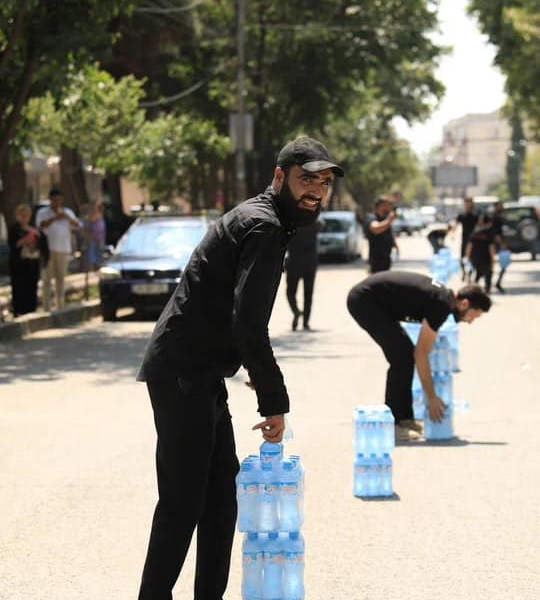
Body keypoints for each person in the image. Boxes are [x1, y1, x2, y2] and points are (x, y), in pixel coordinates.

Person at [136, 136, 344, 600]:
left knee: (221, 503)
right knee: (183, 502)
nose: (316, 189)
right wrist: (274, 399)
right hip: (184, 372)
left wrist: (247, 360)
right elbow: (249, 322)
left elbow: (235, 313)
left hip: (200, 371)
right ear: (279, 176)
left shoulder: (270, 221)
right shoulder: (265, 226)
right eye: (306, 178)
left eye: (323, 182)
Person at [347, 271, 491, 441]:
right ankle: (393, 424)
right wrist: (432, 397)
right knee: (401, 357)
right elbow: (422, 353)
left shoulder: (442, 298)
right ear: (465, 304)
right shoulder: (441, 305)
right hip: (364, 301)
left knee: (405, 354)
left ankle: (404, 419)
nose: (470, 321)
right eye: (473, 315)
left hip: (373, 301)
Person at [36, 187, 81, 311]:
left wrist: (67, 217)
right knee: (47, 279)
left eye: (59, 200)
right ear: (50, 199)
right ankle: (47, 307)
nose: (57, 202)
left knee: (60, 278)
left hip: (63, 249)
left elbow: (78, 225)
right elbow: (41, 225)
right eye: (55, 200)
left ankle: (60, 305)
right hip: (48, 249)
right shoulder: (43, 212)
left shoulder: (67, 212)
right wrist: (55, 218)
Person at [7, 204, 46, 316]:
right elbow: (13, 244)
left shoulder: (34, 229)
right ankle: (18, 310)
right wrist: (25, 239)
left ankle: (31, 309)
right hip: (18, 263)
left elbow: (41, 245)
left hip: (32, 262)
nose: (24, 218)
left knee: (31, 286)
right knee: (19, 287)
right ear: (18, 216)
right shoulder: (14, 229)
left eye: (27, 215)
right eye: (22, 215)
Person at [285, 217, 322, 331]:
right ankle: (306, 322)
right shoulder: (315, 222)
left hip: (294, 262)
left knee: (290, 292)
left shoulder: (291, 222)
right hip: (310, 263)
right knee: (308, 294)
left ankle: (296, 311)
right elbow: (321, 224)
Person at [365, 196, 398, 273]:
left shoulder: (384, 218)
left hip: (386, 259)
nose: (390, 207)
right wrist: (389, 220)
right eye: (388, 205)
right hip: (376, 260)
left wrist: (395, 245)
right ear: (381, 206)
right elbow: (376, 229)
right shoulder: (372, 217)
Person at [466, 213, 497, 294]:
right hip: (486, 260)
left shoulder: (474, 233)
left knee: (476, 277)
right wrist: (493, 261)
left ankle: (473, 293)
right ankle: (487, 293)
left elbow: (469, 247)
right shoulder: (490, 234)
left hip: (475, 259)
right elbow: (492, 249)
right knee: (488, 279)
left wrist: (468, 258)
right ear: (488, 223)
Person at [456, 196, 479, 281]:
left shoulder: (476, 215)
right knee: (462, 258)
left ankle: (469, 275)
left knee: (471, 259)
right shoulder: (462, 215)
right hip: (465, 239)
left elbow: (480, 225)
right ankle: (463, 273)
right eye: (466, 203)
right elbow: (455, 224)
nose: (467, 204)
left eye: (469, 202)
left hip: (473, 240)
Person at [84, 199, 106, 270]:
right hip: (93, 238)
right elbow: (90, 219)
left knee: (99, 254)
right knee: (93, 255)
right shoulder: (93, 215)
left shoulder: (99, 214)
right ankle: (94, 269)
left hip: (99, 238)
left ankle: (99, 268)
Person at [490, 201, 508, 293]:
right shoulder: (495, 217)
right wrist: (501, 244)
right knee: (491, 264)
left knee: (504, 264)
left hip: (498, 243)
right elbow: (496, 232)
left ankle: (498, 282)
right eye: (500, 206)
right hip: (496, 243)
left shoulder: (499, 216)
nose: (502, 207)